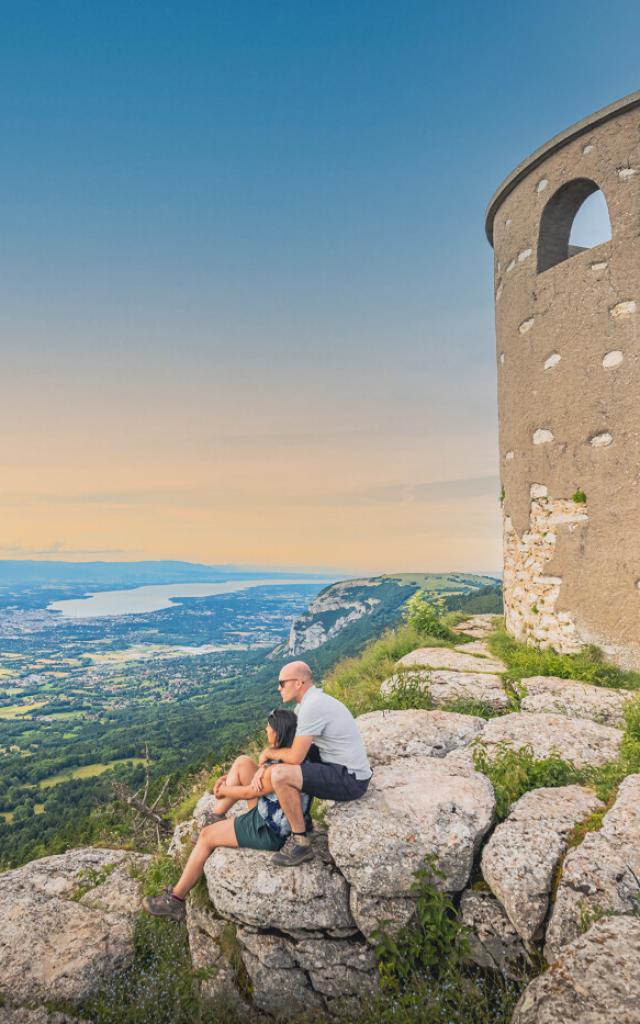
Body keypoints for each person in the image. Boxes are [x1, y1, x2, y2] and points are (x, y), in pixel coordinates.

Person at [142, 707, 310, 921]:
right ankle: (215, 816)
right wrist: (257, 765)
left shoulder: (278, 771)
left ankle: (175, 900)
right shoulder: (294, 753)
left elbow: (249, 792)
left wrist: (223, 791)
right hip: (276, 812)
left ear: (278, 732)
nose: (266, 730)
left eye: (269, 727)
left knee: (206, 837)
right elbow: (260, 776)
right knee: (242, 763)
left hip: (269, 829)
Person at [252, 659, 372, 867]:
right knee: (286, 762)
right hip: (339, 767)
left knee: (281, 775)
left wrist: (268, 754)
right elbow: (290, 747)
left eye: (282, 683)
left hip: (350, 779)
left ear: (299, 683)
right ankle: (301, 817)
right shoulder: (307, 705)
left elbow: (295, 757)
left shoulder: (312, 706)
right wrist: (263, 767)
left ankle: (301, 844)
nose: (278, 688)